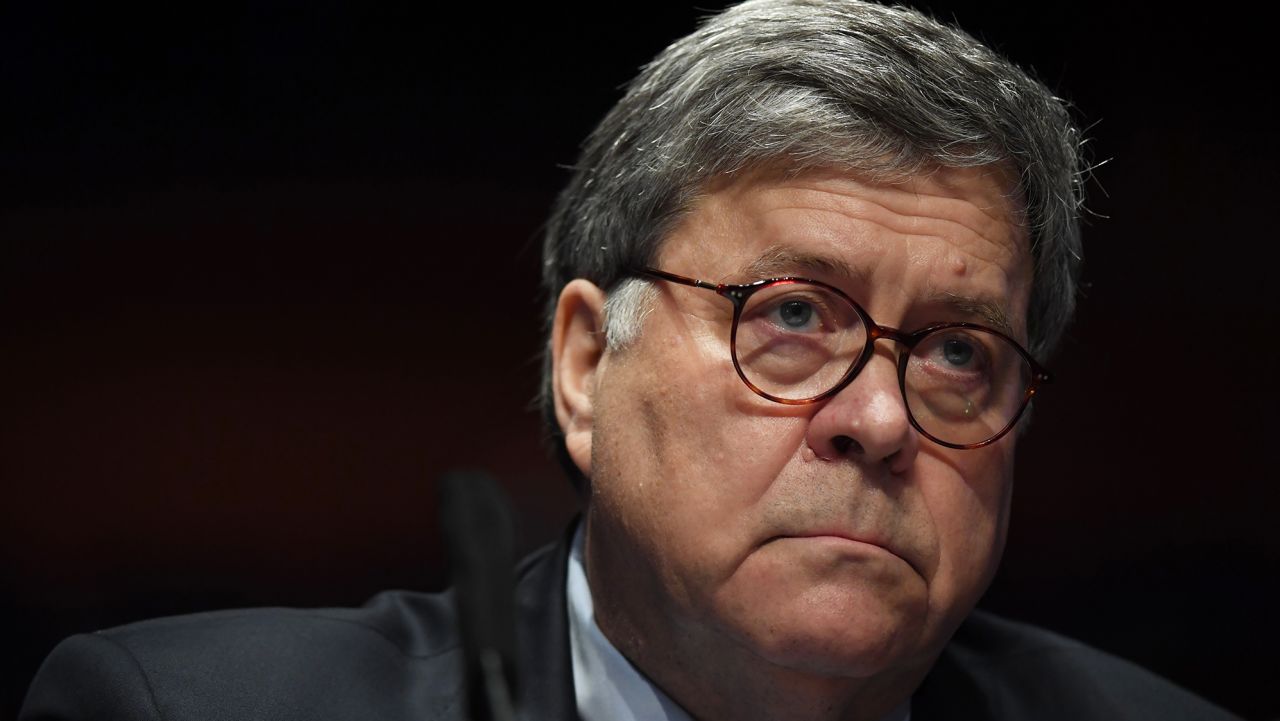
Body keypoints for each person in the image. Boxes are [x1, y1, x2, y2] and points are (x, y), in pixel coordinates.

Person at [19, 1, 1243, 720]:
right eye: (795, 316)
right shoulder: (189, 712)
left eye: (957, 350)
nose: (877, 418)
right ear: (582, 367)